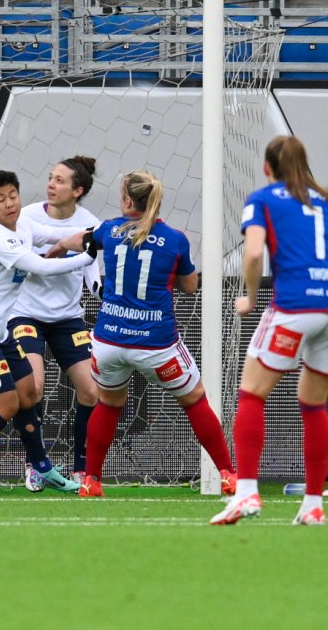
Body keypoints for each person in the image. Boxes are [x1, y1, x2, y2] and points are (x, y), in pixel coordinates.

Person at [79, 171, 236, 499]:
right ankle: (227, 474)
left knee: (108, 403)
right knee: (194, 399)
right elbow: (190, 286)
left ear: (127, 200)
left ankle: (91, 480)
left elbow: (82, 239)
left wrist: (53, 247)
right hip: (156, 347)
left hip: (109, 342)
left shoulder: (110, 229)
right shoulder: (175, 240)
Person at [0, 170, 95, 497]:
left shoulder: (23, 223)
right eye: (1, 199)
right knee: (8, 404)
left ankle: (40, 467)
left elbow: (56, 234)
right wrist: (88, 255)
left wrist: (98, 234)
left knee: (28, 392)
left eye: (13, 195)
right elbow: (41, 267)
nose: (10, 203)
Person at [213, 137, 328, 525]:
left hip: (292, 308)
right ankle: (313, 504)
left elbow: (253, 252)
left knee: (252, 393)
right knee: (314, 405)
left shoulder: (262, 199)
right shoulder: (324, 200)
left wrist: (249, 297)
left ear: (267, 167)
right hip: (327, 309)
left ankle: (246, 493)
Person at [9, 156, 102, 491]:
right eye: (51, 177)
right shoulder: (27, 217)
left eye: (60, 180)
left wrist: (106, 295)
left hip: (67, 318)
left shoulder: (91, 224)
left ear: (78, 191)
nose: (51, 184)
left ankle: (82, 469)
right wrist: (57, 251)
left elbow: (92, 273)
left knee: (92, 390)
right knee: (32, 388)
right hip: (26, 314)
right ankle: (36, 465)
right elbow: (21, 263)